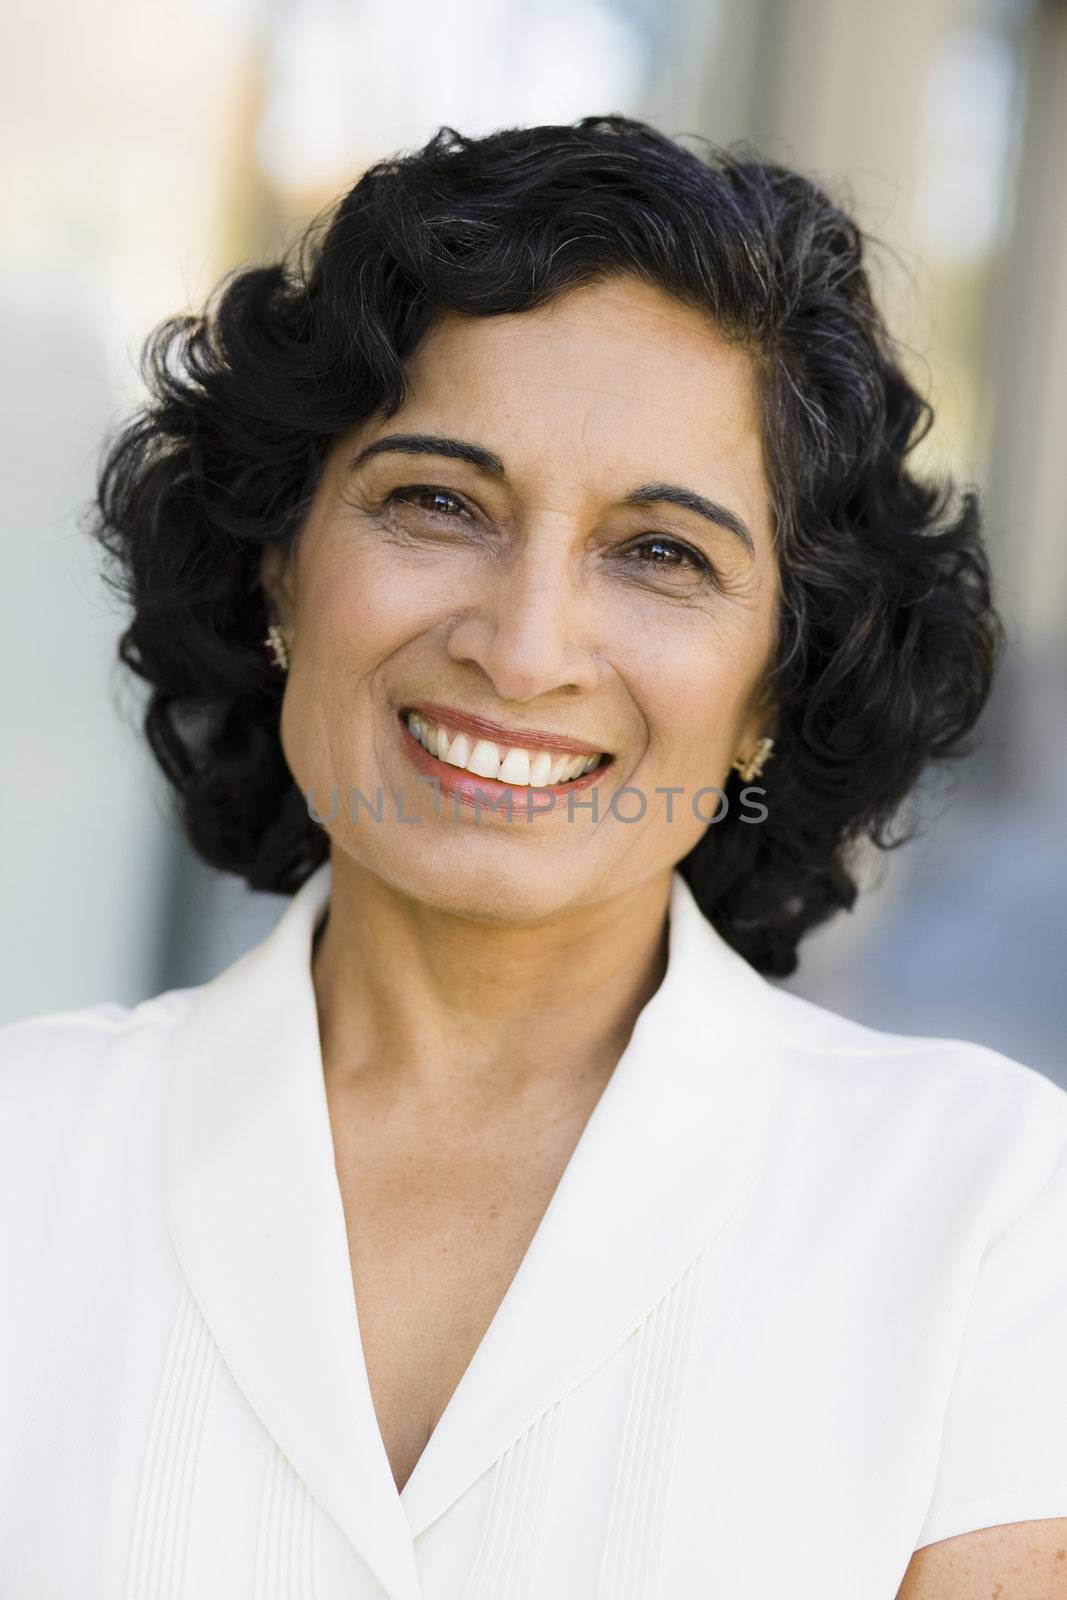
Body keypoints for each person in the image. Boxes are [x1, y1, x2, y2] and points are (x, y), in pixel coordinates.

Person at [1, 116, 1065, 1600]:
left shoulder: (991, 1216)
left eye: (662, 553)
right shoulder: (23, 1150)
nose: (524, 645)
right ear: (278, 570)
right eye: (438, 502)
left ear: (775, 685)